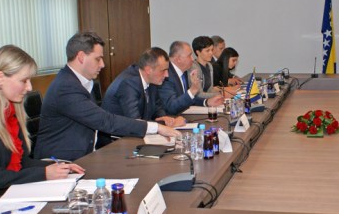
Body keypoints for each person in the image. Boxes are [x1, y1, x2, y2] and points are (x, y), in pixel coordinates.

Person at [0, 45, 84, 214]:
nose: (29, 87)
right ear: (0, 78)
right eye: (23, 80)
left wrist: (59, 166)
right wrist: (44, 173)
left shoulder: (10, 110)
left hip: (5, 196)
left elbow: (22, 163)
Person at [34, 32, 181, 161]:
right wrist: (156, 128)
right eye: (98, 59)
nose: (103, 64)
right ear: (81, 57)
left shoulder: (80, 82)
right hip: (61, 162)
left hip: (85, 155)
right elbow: (105, 121)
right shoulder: (66, 87)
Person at [99, 47, 186, 147]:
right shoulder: (129, 83)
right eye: (163, 70)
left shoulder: (151, 79)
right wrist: (164, 125)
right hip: (115, 142)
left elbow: (157, 107)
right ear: (148, 69)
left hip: (136, 135)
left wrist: (165, 118)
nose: (167, 75)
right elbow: (135, 121)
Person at [158, 41, 223, 115]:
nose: (192, 59)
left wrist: (206, 102)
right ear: (178, 59)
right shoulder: (166, 75)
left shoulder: (183, 71)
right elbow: (171, 107)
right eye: (189, 56)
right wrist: (192, 91)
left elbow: (188, 97)